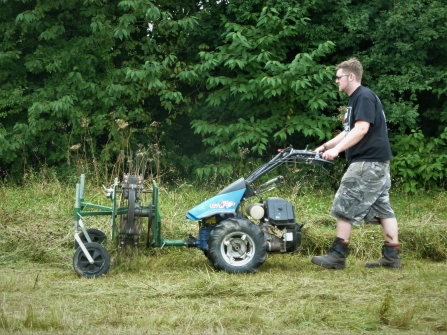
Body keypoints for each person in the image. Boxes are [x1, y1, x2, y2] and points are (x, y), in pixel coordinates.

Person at [312, 57, 401, 270]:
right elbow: (347, 131)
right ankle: (392, 256)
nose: (336, 81)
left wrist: (336, 151)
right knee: (382, 208)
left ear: (351, 76)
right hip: (376, 163)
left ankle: (337, 255)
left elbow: (361, 129)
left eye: (338, 77)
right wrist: (325, 147)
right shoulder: (356, 100)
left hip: (367, 162)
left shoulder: (363, 97)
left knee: (344, 203)